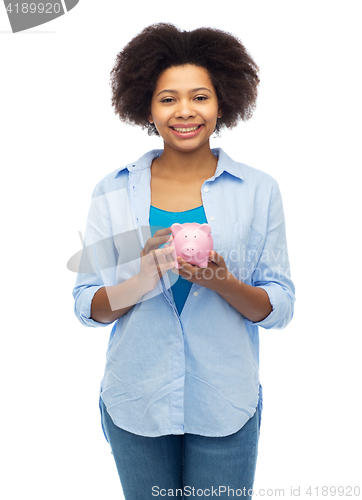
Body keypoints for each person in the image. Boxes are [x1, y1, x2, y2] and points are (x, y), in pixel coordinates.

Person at [72, 23, 295, 499]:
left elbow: (280, 306)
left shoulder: (259, 190)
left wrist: (224, 283)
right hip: (135, 399)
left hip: (226, 403)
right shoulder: (112, 190)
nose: (185, 112)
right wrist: (141, 279)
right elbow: (86, 304)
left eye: (200, 97)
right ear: (146, 107)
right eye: (168, 98)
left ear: (222, 103)